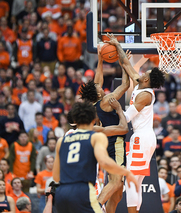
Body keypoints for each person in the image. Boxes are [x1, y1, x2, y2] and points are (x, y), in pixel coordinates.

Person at [105, 33, 166, 213]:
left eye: (145, 72)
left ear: (146, 79)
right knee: (136, 181)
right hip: (141, 138)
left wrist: (116, 108)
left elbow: (128, 116)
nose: (142, 72)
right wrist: (117, 45)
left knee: (131, 179)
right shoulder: (140, 84)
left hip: (142, 138)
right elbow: (126, 64)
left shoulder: (145, 95)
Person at [52, 101, 138, 213]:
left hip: (62, 192)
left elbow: (56, 177)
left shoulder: (61, 141)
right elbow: (105, 162)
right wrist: (127, 173)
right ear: (93, 119)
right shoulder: (95, 137)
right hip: (83, 190)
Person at [79, 44, 130, 213]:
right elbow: (125, 85)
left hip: (102, 144)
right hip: (115, 144)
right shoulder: (107, 100)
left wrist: (100, 59)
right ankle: (94, 207)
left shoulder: (92, 102)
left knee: (118, 192)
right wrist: (124, 65)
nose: (99, 85)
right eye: (98, 87)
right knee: (115, 183)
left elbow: (98, 79)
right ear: (98, 93)